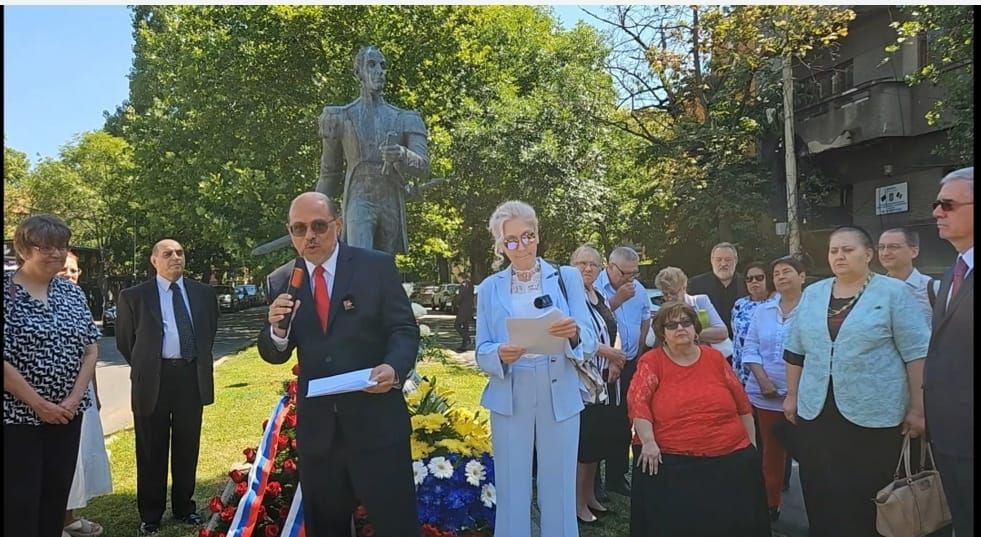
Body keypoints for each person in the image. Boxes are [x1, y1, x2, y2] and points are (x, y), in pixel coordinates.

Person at [257, 192, 420, 537]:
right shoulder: (282, 280)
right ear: (290, 233)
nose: (309, 236)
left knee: (397, 526)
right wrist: (276, 330)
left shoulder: (375, 266)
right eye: (299, 229)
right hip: (320, 435)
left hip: (377, 425)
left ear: (338, 225)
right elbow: (275, 353)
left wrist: (393, 369)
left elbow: (404, 329)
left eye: (319, 226)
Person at [782, 225, 930, 537]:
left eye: (848, 250)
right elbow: (795, 351)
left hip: (874, 414)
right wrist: (792, 395)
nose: (840, 256)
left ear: (868, 254)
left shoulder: (893, 293)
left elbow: (917, 353)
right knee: (820, 487)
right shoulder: (814, 294)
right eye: (834, 250)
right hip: (817, 411)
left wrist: (918, 409)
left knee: (867, 492)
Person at [474, 200, 596, 537]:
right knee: (512, 483)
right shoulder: (490, 287)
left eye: (528, 236)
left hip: (559, 385)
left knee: (559, 483)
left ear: (538, 235)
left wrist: (573, 332)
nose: (522, 246)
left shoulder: (567, 277)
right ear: (501, 246)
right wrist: (500, 353)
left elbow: (588, 337)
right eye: (511, 241)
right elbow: (481, 350)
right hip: (511, 388)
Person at [628, 302, 769, 537]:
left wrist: (751, 447)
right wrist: (649, 442)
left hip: (729, 452)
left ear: (695, 328)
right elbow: (638, 405)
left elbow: (743, 406)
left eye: (686, 322)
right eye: (671, 325)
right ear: (662, 333)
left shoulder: (715, 358)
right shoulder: (652, 361)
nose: (680, 328)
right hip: (674, 457)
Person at [4, 215, 100, 537]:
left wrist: (73, 399)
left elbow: (90, 350)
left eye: (62, 246)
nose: (57, 253)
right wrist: (39, 404)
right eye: (47, 247)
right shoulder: (6, 292)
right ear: (24, 249)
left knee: (55, 497)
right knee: (19, 501)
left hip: (67, 416)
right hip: (17, 418)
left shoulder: (72, 293)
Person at [115, 239, 219, 535]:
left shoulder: (203, 293)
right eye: (168, 254)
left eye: (180, 253)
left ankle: (185, 507)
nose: (175, 257)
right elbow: (125, 341)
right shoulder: (134, 296)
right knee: (151, 447)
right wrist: (149, 364)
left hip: (190, 376)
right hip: (153, 379)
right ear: (154, 261)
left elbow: (208, 332)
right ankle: (151, 513)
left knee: (187, 444)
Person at [318, 45, 430, 255]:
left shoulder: (405, 118)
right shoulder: (340, 117)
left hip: (390, 200)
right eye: (371, 65)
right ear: (359, 72)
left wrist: (402, 153)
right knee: (361, 260)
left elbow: (423, 166)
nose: (379, 71)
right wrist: (313, 212)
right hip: (359, 198)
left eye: (382, 66)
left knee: (385, 265)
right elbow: (330, 173)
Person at [924, 167, 974, 536]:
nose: (936, 212)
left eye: (948, 204)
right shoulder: (950, 273)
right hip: (948, 434)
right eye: (937, 204)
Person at [740, 256, 805, 522]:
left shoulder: (814, 308)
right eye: (776, 273)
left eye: (787, 271)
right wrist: (764, 381)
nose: (781, 277)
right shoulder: (763, 311)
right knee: (771, 453)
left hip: (805, 397)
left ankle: (819, 512)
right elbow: (750, 348)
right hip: (765, 395)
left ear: (802, 277)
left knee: (810, 454)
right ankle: (771, 505)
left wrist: (795, 392)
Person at [570, 245, 628, 525]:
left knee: (597, 443)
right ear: (571, 267)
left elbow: (613, 328)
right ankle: (577, 504)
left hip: (606, 381)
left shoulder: (601, 295)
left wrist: (616, 360)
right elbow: (579, 340)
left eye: (593, 264)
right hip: (583, 382)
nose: (588, 268)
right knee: (585, 445)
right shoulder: (569, 297)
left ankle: (590, 496)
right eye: (582, 263)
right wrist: (610, 354)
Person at [59, 252, 111, 537]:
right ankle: (53, 520)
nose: (69, 275)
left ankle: (67, 517)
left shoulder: (78, 301)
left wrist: (95, 393)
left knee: (79, 457)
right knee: (60, 459)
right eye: (64, 270)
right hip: (53, 395)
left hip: (82, 394)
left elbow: (90, 352)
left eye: (74, 270)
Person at [594, 246, 650, 497]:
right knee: (598, 423)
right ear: (610, 266)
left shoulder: (639, 290)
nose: (630, 279)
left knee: (623, 421)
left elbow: (646, 317)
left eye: (634, 273)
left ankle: (616, 476)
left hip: (630, 363)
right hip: (601, 365)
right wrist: (617, 299)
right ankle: (593, 482)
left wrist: (639, 350)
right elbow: (594, 319)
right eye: (625, 273)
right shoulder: (595, 287)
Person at [650, 266, 730, 349]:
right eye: (665, 294)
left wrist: (685, 333)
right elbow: (658, 342)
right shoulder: (662, 311)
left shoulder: (700, 301)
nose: (669, 298)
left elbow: (722, 332)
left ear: (684, 287)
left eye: (673, 293)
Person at [687, 242, 747, 352]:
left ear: (736, 261)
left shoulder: (747, 284)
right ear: (711, 261)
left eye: (728, 260)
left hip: (743, 349)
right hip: (707, 349)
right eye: (719, 260)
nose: (723, 264)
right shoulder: (695, 285)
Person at [878, 227, 939, 322]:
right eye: (881, 247)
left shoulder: (933, 288)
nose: (885, 253)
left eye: (894, 247)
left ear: (914, 252)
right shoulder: (874, 289)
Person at [730, 261, 774, 384]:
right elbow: (735, 334)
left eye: (759, 278)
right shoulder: (740, 304)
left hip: (766, 367)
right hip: (740, 366)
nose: (754, 281)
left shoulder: (777, 303)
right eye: (749, 279)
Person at [454, 273, 475, 351]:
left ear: (462, 278)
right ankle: (464, 345)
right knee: (465, 326)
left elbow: (460, 297)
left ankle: (467, 339)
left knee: (457, 325)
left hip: (464, 308)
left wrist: (456, 302)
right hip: (469, 308)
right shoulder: (470, 285)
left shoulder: (464, 286)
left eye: (458, 278)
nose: (458, 279)